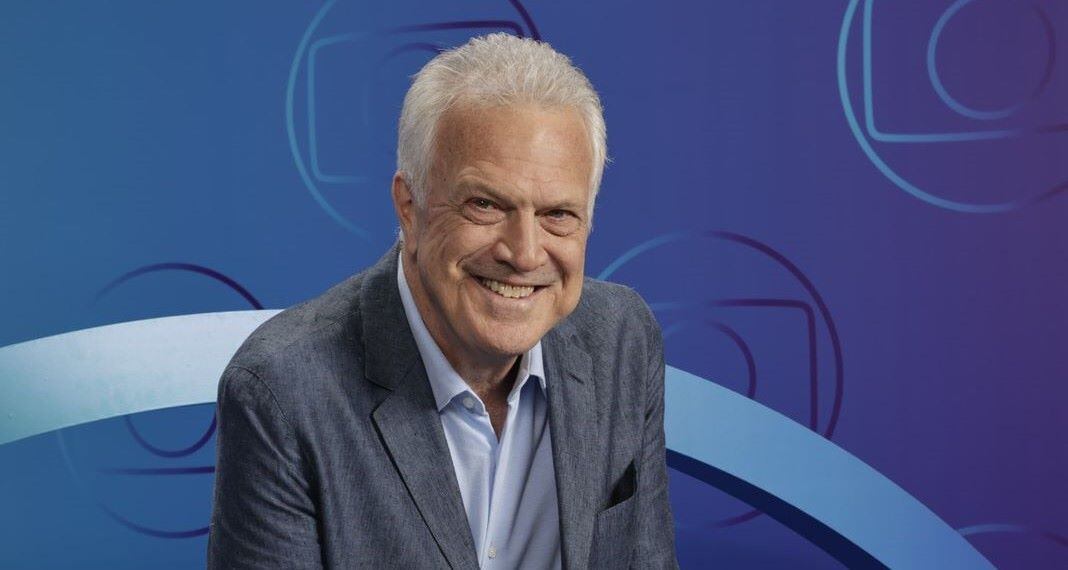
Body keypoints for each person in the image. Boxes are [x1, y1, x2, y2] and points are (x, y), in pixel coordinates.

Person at [207, 33, 677, 569]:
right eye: (485, 205)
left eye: (558, 215)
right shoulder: (284, 394)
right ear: (410, 207)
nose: (525, 253)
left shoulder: (622, 341)